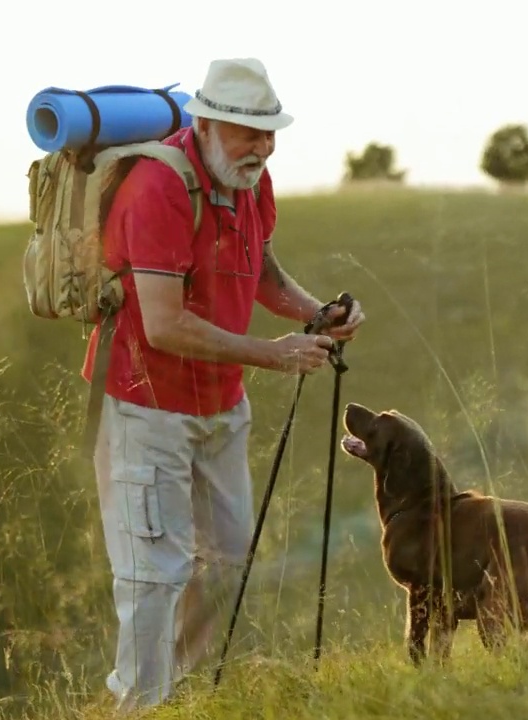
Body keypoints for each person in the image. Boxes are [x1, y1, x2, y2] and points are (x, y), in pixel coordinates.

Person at [80, 57, 365, 712]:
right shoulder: (155, 188)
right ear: (207, 123)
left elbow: (258, 268)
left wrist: (318, 313)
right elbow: (163, 324)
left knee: (230, 560)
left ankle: (172, 696)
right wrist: (272, 354)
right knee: (154, 577)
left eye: (270, 133)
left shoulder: (251, 184)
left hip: (219, 407)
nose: (262, 147)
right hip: (142, 407)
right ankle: (139, 707)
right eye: (247, 132)